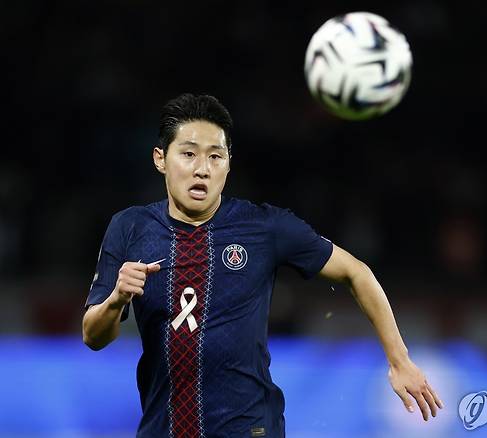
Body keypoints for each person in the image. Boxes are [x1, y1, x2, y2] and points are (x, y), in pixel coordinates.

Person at [82, 93, 443, 437]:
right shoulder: (129, 228)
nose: (202, 169)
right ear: (160, 159)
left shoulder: (263, 227)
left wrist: (399, 360)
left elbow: (356, 272)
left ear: (229, 163)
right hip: (164, 429)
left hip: (250, 429)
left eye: (215, 157)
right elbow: (93, 336)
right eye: (188, 154)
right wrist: (116, 300)